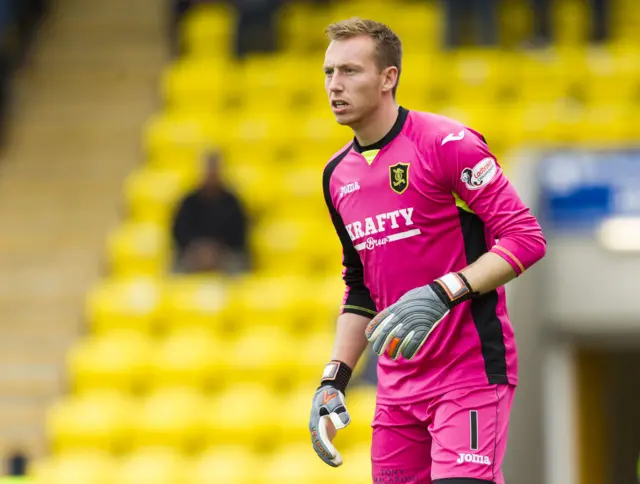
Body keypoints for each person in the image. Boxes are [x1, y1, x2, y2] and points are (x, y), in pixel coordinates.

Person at [307, 18, 547, 484]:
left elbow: (524, 237)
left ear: (388, 77)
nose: (335, 85)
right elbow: (360, 289)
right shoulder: (336, 175)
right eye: (329, 72)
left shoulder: (446, 144)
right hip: (396, 388)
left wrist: (444, 291)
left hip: (469, 372)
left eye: (350, 71)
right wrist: (333, 379)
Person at [171, 151, 250, 275]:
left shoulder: (232, 202)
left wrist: (218, 250)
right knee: (176, 270)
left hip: (225, 256)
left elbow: (240, 235)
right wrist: (198, 249)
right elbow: (179, 232)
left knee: (239, 268)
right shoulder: (188, 202)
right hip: (193, 255)